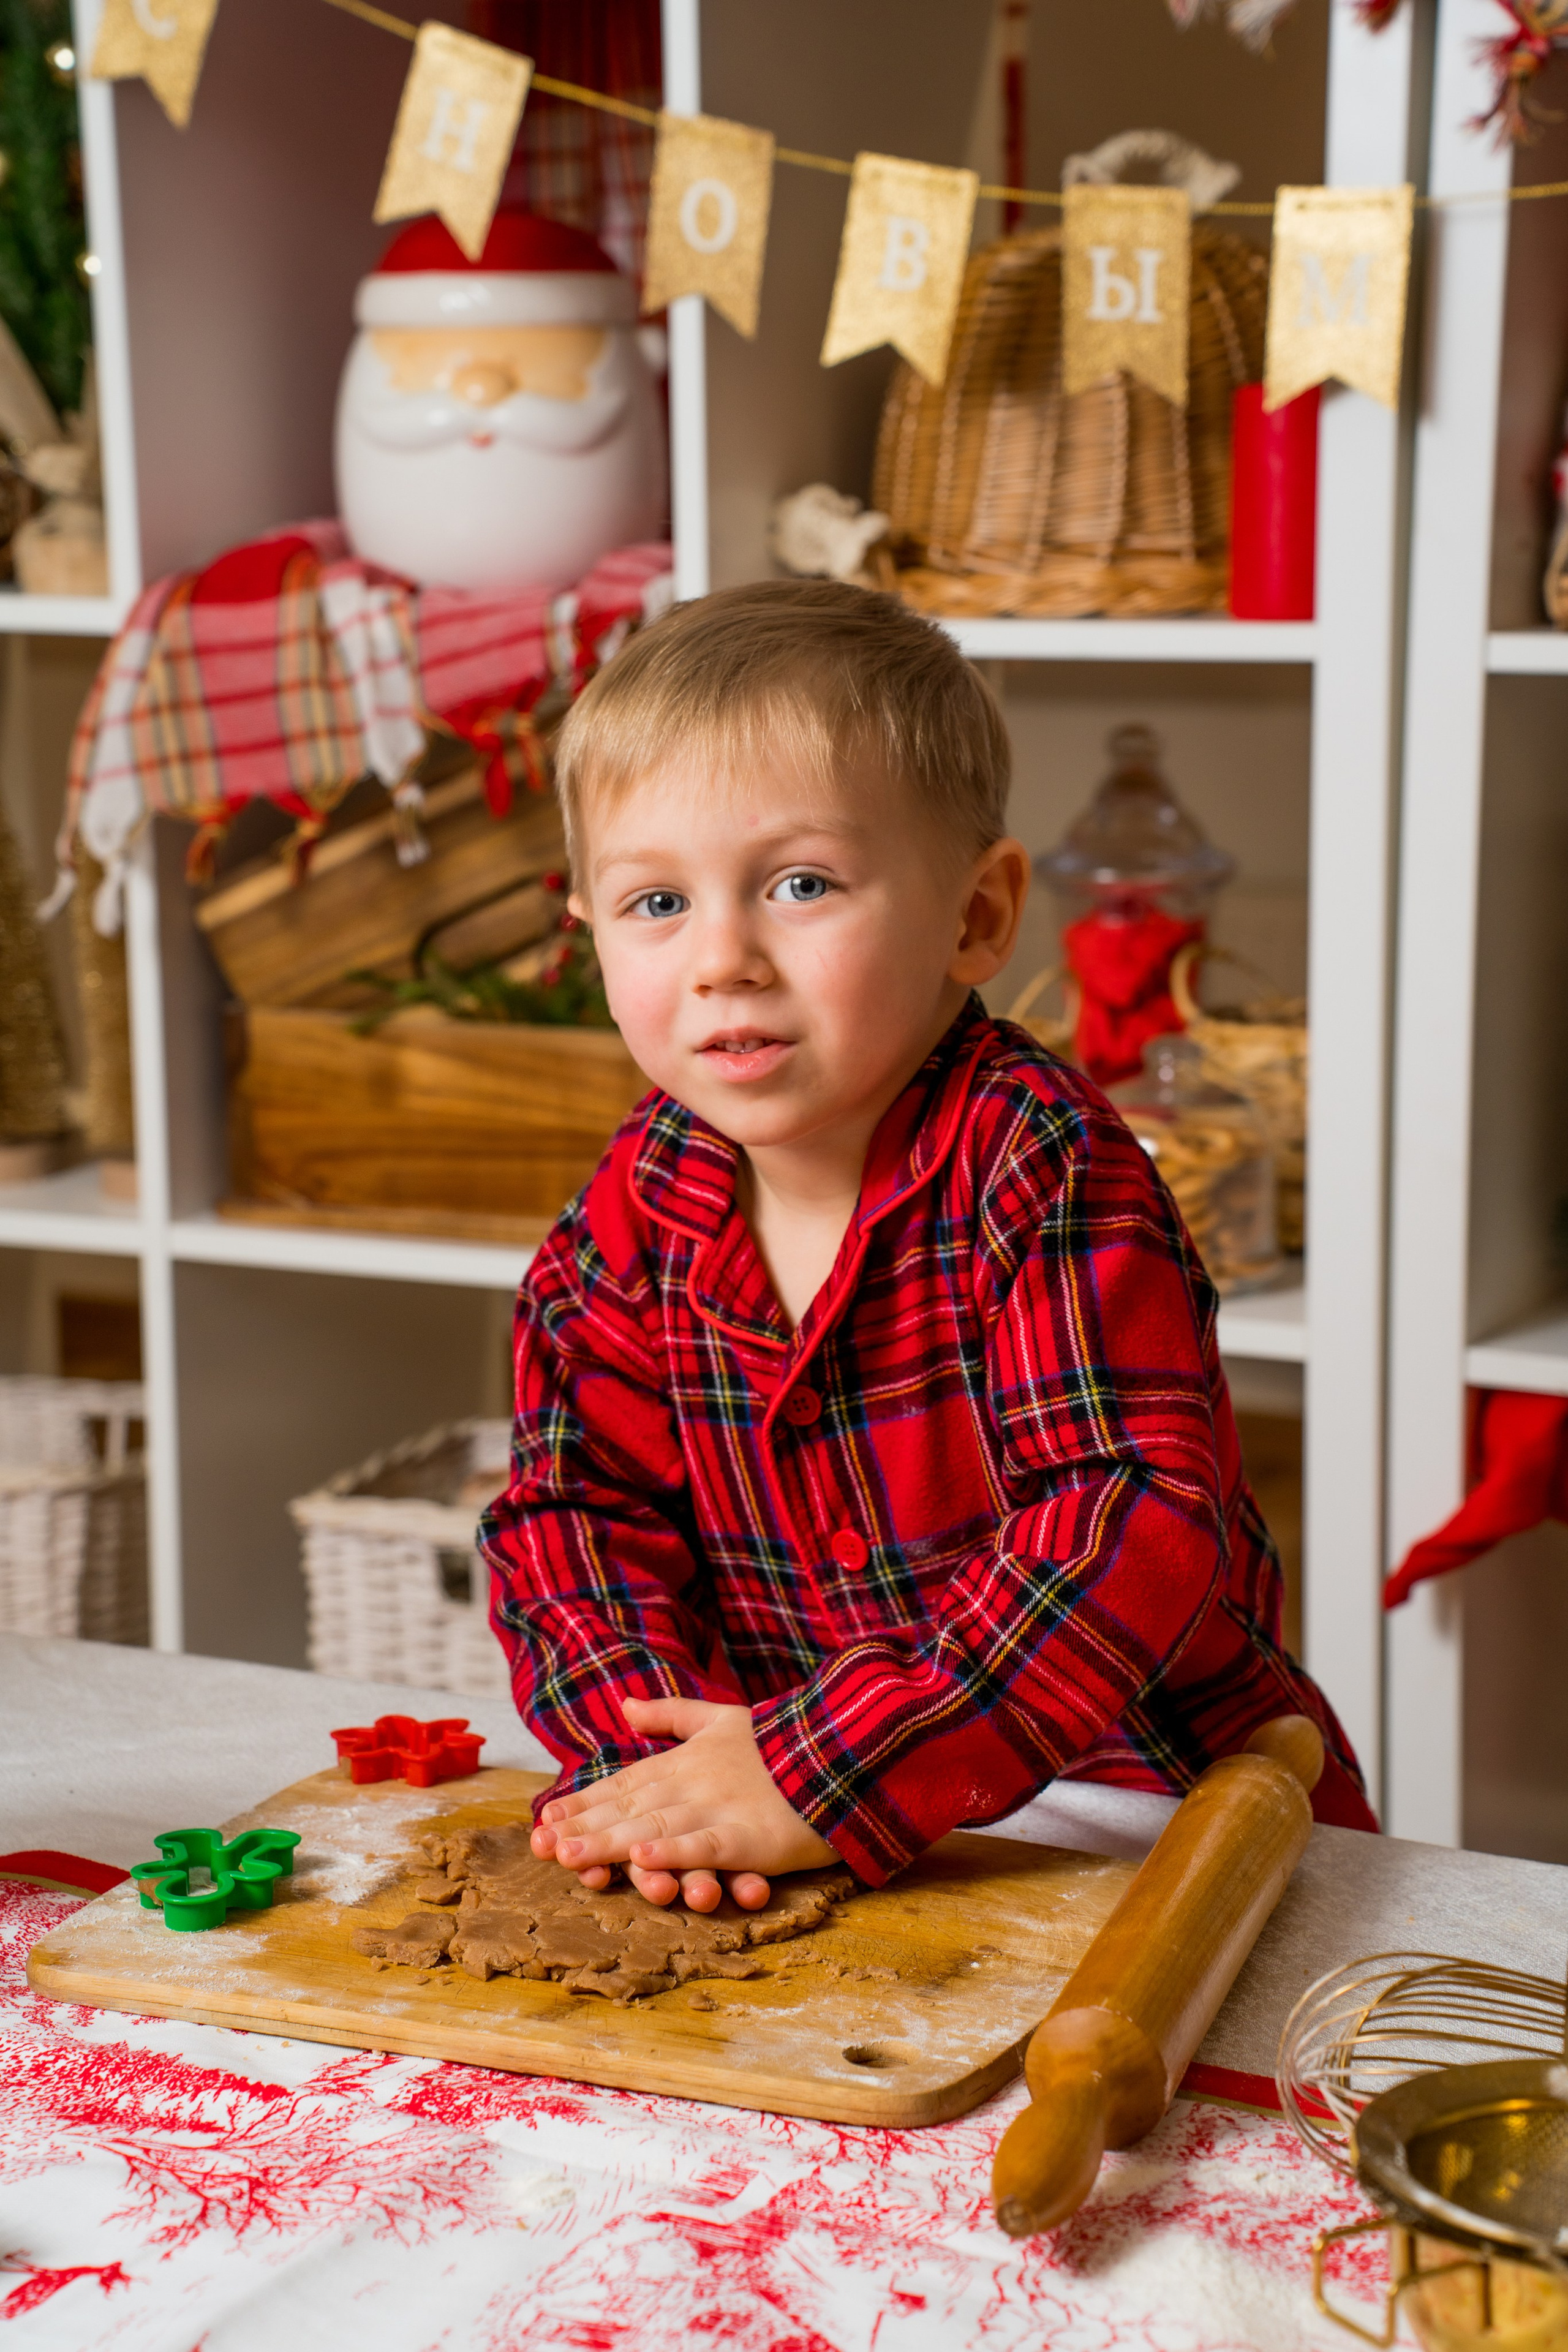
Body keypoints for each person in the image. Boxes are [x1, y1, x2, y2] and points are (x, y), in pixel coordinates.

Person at [480, 578, 1376, 1920]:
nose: (723, 958)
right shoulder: (630, 1206)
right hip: (804, 1822)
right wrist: (654, 1762)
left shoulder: (1040, 1165)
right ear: (589, 934)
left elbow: (1123, 1522)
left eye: (799, 885)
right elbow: (573, 1517)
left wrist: (813, 1773)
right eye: (654, 904)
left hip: (1146, 1811)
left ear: (975, 917)